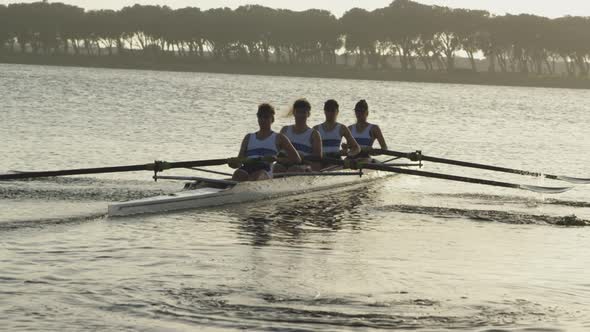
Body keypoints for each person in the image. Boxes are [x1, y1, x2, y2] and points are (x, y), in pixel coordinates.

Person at [230, 103, 301, 182]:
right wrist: (233, 163)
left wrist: (277, 159)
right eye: (260, 117)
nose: (262, 120)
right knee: (238, 173)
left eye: (266, 117)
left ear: (272, 119)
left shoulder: (279, 138)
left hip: (265, 170)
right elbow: (239, 162)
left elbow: (296, 159)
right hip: (247, 168)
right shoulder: (248, 137)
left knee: (258, 175)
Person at [275, 99, 322, 173]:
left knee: (294, 169)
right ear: (294, 113)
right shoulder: (285, 130)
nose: (300, 115)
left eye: (303, 112)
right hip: (285, 163)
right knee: (276, 168)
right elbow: (277, 152)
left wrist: (302, 157)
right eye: (298, 112)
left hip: (304, 165)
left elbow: (318, 159)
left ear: (308, 114)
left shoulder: (314, 134)